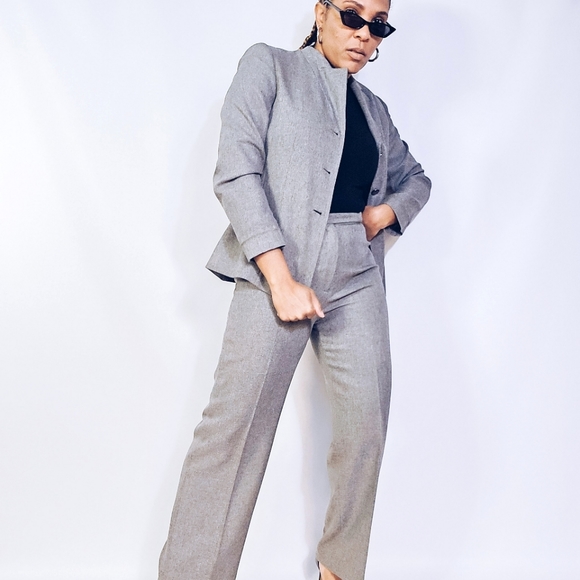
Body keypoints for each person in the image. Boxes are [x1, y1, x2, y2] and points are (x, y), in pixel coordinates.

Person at [159, 0, 430, 578]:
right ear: (321, 11)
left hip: (356, 276)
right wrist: (279, 278)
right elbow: (236, 171)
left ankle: (339, 569)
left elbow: (416, 179)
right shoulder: (270, 67)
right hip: (276, 264)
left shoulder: (374, 109)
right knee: (234, 433)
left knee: (366, 425)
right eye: (352, 15)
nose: (364, 34)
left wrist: (384, 214)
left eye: (379, 24)